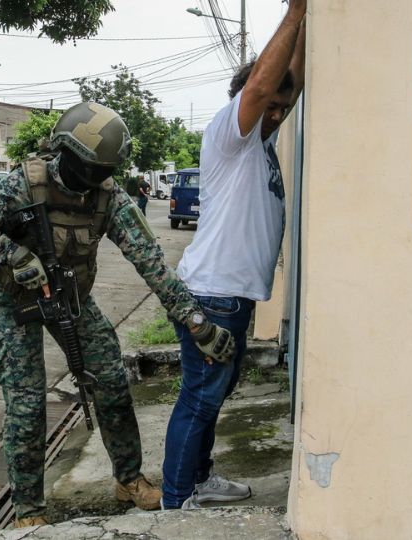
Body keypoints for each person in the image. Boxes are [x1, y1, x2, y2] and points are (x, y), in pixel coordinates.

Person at [0, 102, 235, 527]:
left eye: (100, 171)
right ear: (63, 150)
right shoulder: (21, 186)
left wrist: (195, 322)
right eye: (85, 168)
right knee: (27, 403)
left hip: (72, 301)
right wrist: (13, 254)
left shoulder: (109, 196)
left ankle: (128, 480)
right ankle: (29, 509)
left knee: (113, 385)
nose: (90, 180)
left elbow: (151, 262)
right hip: (19, 304)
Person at [161, 0, 307, 511]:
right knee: (200, 399)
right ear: (246, 99)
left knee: (211, 397)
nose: (275, 114)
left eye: (282, 109)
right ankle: (177, 503)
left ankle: (197, 480)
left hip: (231, 295)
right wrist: (294, 11)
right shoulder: (232, 133)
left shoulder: (262, 144)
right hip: (214, 294)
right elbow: (265, 87)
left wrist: (308, 21)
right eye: (268, 105)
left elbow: (290, 81)